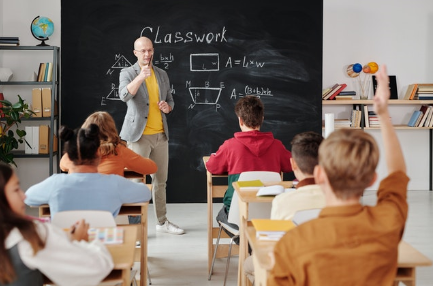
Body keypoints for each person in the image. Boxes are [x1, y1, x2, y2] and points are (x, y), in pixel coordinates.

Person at [267, 65, 409, 286]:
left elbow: (398, 174)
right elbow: (398, 174)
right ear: (371, 180)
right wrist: (382, 114)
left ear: (320, 174)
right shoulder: (387, 222)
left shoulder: (293, 243)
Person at [0, 162, 114, 286]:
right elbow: (98, 267)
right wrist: (83, 241)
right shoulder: (30, 235)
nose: (23, 196)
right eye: (16, 189)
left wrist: (67, 240)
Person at [118, 36, 184, 235]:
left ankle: (162, 222)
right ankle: (134, 228)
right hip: (138, 136)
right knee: (136, 183)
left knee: (160, 181)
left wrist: (167, 107)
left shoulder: (162, 74)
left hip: (160, 135)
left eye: (150, 50)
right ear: (135, 53)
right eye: (143, 51)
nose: (147, 54)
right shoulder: (127, 72)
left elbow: (171, 100)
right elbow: (124, 96)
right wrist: (140, 77)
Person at [206, 95, 293, 238]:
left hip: (237, 214)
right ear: (262, 119)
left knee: (222, 216)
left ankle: (246, 245)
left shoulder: (230, 146)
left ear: (240, 120)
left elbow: (212, 167)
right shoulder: (277, 146)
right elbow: (291, 165)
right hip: (269, 212)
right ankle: (254, 246)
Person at [244, 131, 325, 284]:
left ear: (293, 164)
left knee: (248, 265)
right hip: (328, 266)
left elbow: (274, 243)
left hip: (291, 270)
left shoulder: (283, 201)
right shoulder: (339, 200)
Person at [25, 124, 151, 218]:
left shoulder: (55, 184)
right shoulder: (114, 184)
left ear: (68, 155)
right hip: (102, 249)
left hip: (65, 248)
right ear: (98, 153)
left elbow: (28, 197)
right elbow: (146, 194)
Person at [60, 111, 158, 177]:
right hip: (109, 205)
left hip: (78, 205)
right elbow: (151, 168)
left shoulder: (76, 152)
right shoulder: (119, 151)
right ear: (111, 129)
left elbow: (63, 166)